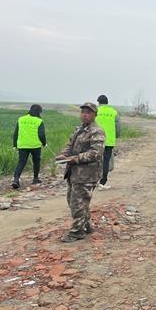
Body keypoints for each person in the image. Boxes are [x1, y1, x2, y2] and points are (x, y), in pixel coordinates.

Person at [55, 103, 105, 243]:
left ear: (94, 115)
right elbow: (70, 145)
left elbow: (96, 153)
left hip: (87, 174)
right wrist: (64, 155)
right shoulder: (79, 129)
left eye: (88, 112)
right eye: (83, 112)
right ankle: (86, 226)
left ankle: (77, 232)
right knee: (75, 201)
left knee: (78, 203)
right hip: (74, 173)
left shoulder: (97, 131)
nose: (84, 115)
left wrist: (75, 158)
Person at [12, 104, 47, 189]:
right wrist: (44, 143)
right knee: (36, 161)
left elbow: (16, 133)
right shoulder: (39, 121)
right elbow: (41, 135)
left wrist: (14, 145)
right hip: (35, 145)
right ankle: (35, 178)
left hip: (22, 145)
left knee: (21, 162)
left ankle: (16, 179)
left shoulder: (21, 119)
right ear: (39, 112)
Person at [95, 94, 121, 190]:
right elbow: (118, 128)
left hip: (96, 140)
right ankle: (102, 183)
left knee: (95, 160)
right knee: (106, 162)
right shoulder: (114, 112)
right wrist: (116, 136)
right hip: (109, 141)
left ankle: (94, 181)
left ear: (98, 102)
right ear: (107, 102)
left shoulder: (95, 111)